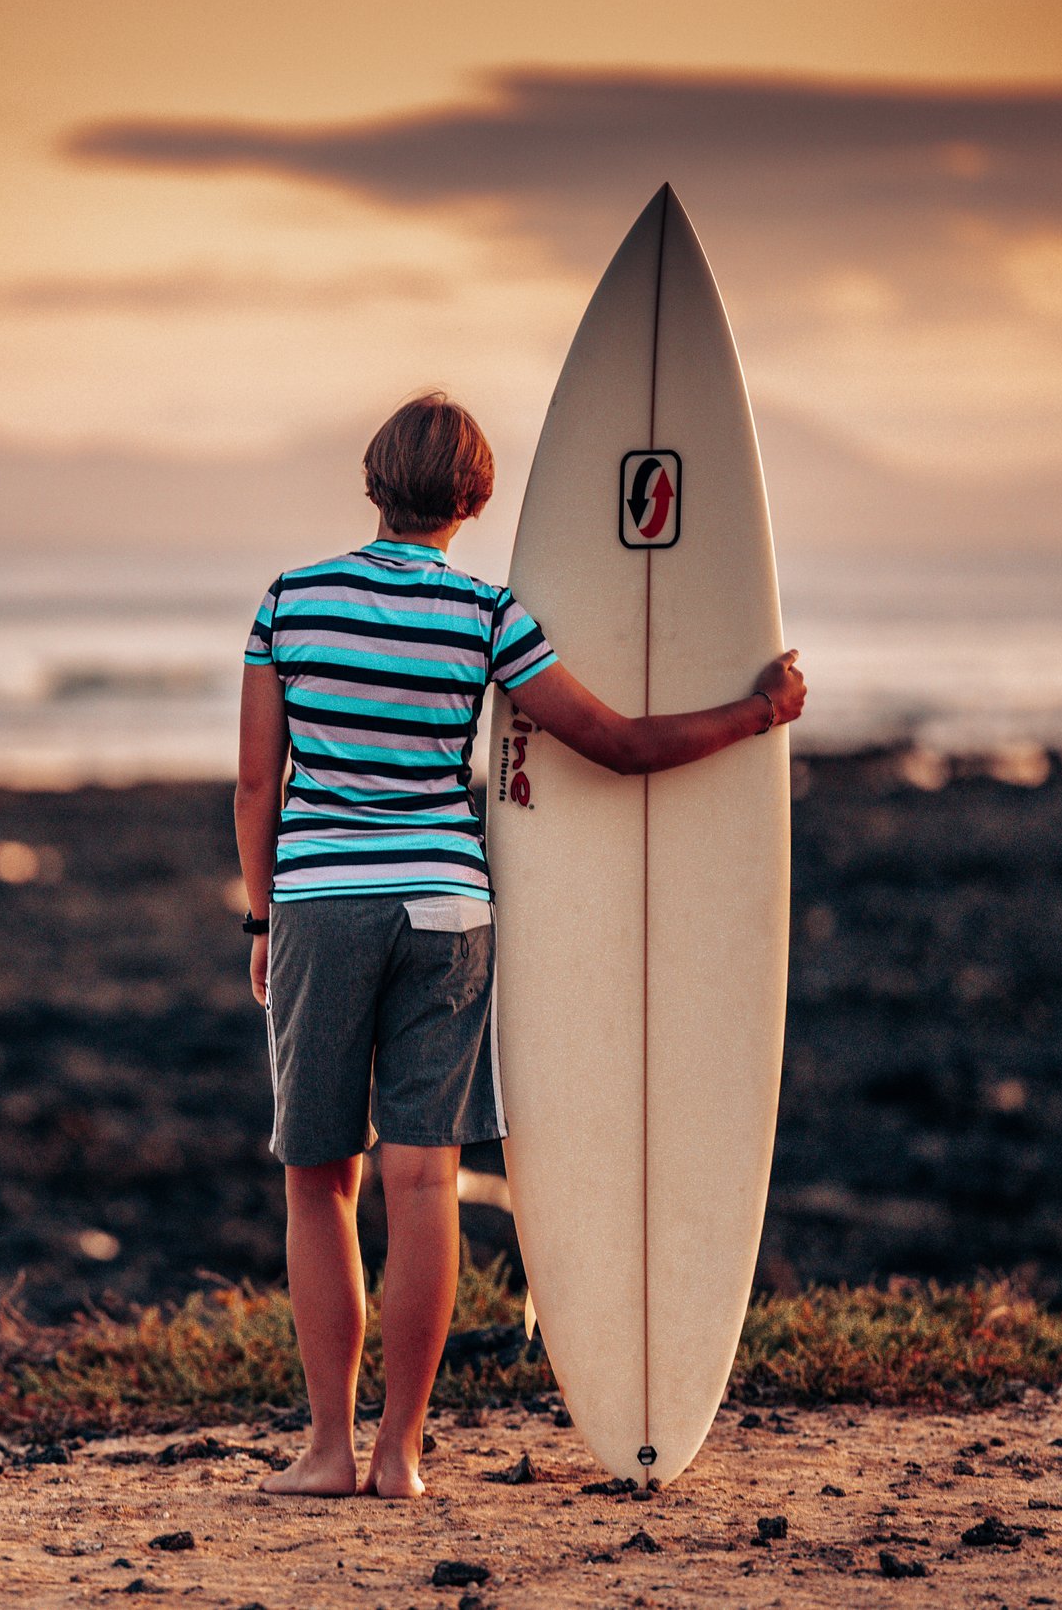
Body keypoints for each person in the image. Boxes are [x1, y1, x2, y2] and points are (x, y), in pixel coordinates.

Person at [235, 392, 804, 1499]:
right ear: (477, 499)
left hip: (320, 906)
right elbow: (616, 744)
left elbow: (260, 780)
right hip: (447, 913)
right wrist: (756, 712)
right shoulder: (487, 614)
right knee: (424, 1177)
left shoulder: (288, 602)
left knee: (318, 1182)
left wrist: (261, 916)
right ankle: (399, 1450)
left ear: (370, 480)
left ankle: (326, 1449)